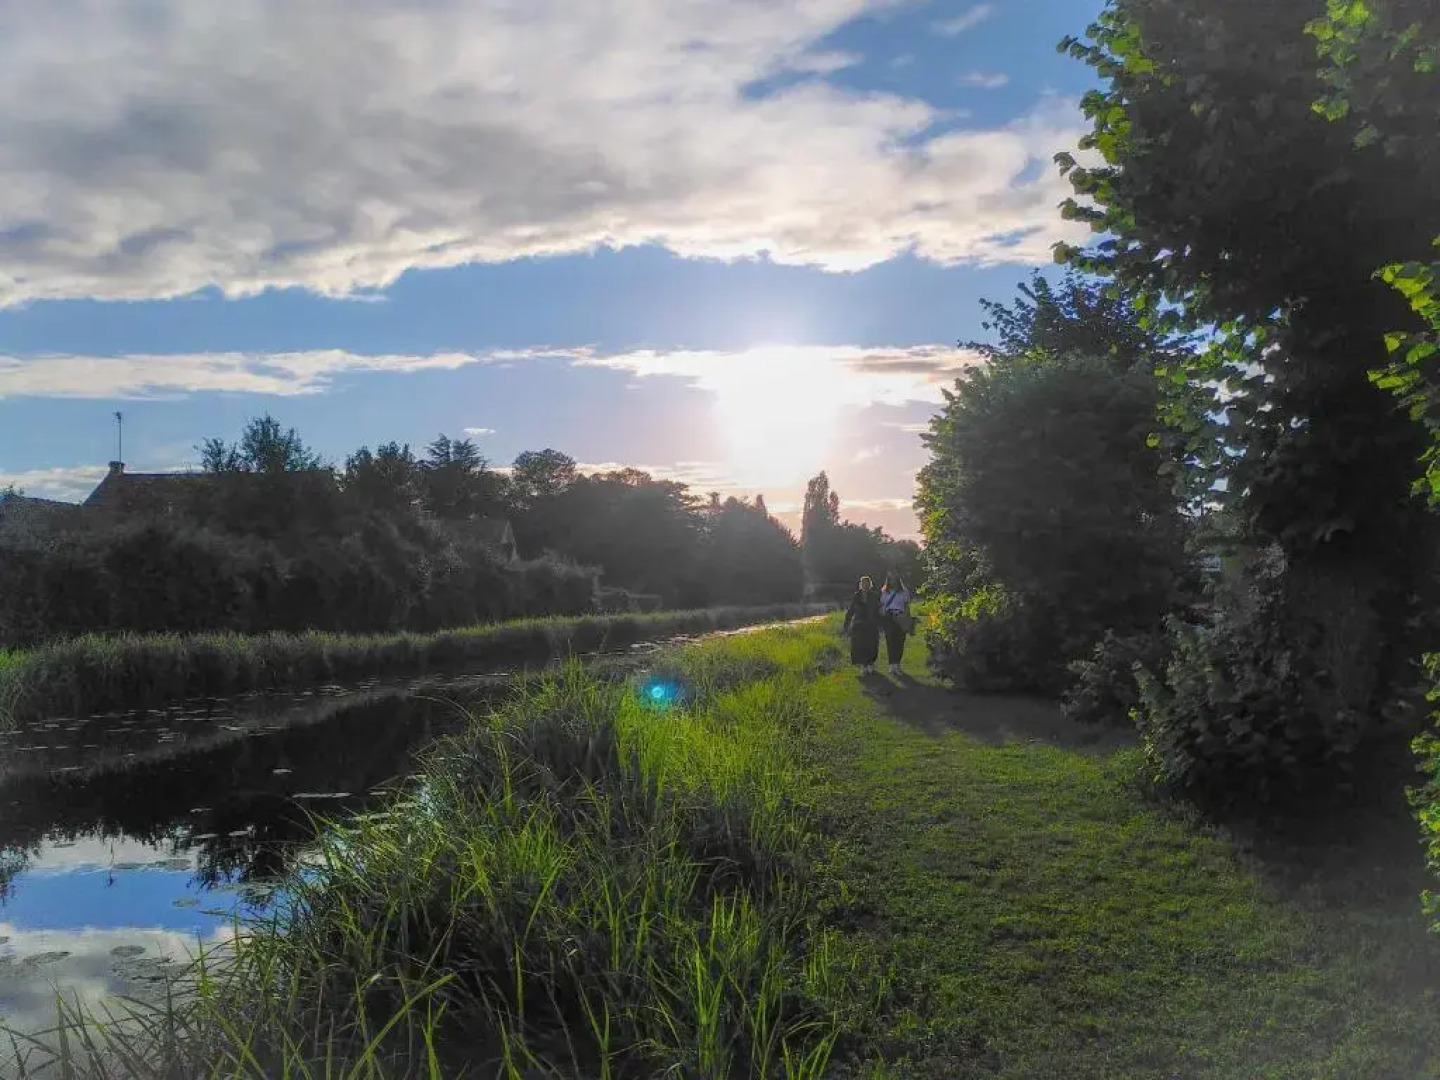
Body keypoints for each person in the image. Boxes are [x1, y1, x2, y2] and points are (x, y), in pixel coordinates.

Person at [843, 575, 881, 675]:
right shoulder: (856, 596)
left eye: (867, 583)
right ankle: (863, 666)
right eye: (863, 583)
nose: (865, 585)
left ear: (870, 584)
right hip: (859, 624)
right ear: (861, 584)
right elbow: (850, 611)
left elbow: (879, 611)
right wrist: (846, 624)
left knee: (872, 644)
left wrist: (880, 623)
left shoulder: (874, 596)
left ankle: (870, 664)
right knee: (859, 646)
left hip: (871, 624)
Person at [879, 572, 913, 676]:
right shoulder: (884, 592)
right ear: (888, 581)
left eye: (894, 579)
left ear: (898, 580)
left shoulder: (904, 592)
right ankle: (891, 665)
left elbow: (907, 606)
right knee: (890, 641)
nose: (892, 581)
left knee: (900, 641)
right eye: (890, 579)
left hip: (900, 617)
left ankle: (897, 664)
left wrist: (907, 617)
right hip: (888, 618)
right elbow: (881, 606)